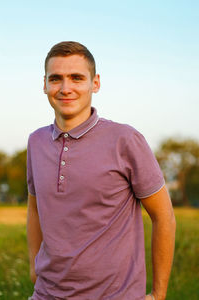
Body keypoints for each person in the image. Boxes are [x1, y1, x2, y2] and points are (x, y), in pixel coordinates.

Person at [27, 41, 176, 300]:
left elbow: (164, 216)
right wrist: (33, 268)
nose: (65, 88)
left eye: (76, 78)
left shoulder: (125, 140)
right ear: (44, 84)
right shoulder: (35, 141)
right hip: (46, 294)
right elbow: (34, 207)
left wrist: (158, 294)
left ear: (95, 83)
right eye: (56, 79)